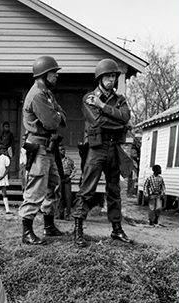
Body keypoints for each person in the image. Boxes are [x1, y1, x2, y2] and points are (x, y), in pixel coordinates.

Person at [72, 59, 133, 247]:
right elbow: (99, 122)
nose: (111, 79)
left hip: (114, 149)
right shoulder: (89, 98)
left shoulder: (120, 99)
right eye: (107, 76)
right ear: (100, 77)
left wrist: (103, 106)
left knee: (114, 190)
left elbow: (125, 117)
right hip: (96, 149)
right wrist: (119, 123)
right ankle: (78, 229)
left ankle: (116, 229)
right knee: (87, 189)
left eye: (114, 76)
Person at [19, 55, 67, 245]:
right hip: (39, 147)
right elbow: (53, 121)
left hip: (49, 147)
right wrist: (56, 115)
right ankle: (27, 231)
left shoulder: (46, 93)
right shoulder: (38, 95)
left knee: (54, 184)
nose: (56, 76)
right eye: (53, 73)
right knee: (36, 188)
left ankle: (49, 226)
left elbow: (62, 115)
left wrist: (56, 114)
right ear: (43, 74)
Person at [57, 145, 76, 220]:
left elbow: (74, 169)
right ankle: (60, 214)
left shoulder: (69, 160)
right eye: (61, 150)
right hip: (59, 178)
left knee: (68, 197)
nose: (63, 151)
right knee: (60, 196)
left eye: (63, 149)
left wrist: (70, 177)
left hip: (67, 178)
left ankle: (67, 214)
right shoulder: (56, 161)